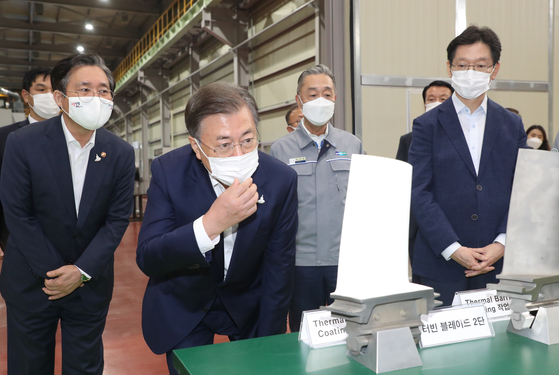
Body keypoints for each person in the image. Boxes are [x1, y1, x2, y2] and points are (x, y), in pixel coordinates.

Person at [136, 81, 298, 375]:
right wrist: (210, 225)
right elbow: (149, 256)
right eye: (224, 145)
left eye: (248, 140)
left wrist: (270, 342)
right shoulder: (169, 172)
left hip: (248, 303)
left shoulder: (280, 180)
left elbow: (279, 266)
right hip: (185, 303)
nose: (239, 154)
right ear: (196, 147)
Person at [0, 51, 135, 375]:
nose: (96, 97)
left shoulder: (120, 152)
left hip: (89, 282)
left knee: (85, 366)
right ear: (60, 97)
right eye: (84, 89)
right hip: (32, 282)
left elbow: (116, 220)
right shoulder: (22, 143)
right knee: (30, 365)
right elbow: (18, 213)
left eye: (104, 91)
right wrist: (55, 272)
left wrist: (81, 271)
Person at [409, 26, 527, 306]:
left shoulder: (512, 125)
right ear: (450, 68)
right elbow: (419, 193)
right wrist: (453, 248)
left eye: (480, 65)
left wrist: (501, 243)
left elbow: (524, 190)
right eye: (462, 65)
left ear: (494, 70)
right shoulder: (427, 125)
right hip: (442, 265)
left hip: (500, 266)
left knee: (501, 346)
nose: (470, 72)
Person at [270, 64, 362, 332]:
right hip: (301, 264)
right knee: (305, 332)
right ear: (299, 101)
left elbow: (362, 203)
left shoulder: (352, 145)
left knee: (349, 331)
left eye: (327, 93)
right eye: (312, 94)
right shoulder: (280, 149)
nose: (320, 100)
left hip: (343, 263)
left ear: (335, 99)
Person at [0, 67, 59, 258]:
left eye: (54, 89)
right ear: (26, 95)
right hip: (15, 240)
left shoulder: (78, 138)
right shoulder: (5, 137)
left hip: (68, 242)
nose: (49, 95)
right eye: (41, 90)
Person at [396, 80, 454, 265]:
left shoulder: (463, 139)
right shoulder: (408, 140)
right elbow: (402, 182)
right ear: (424, 104)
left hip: (455, 223)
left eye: (443, 99)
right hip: (418, 227)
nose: (436, 102)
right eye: (431, 99)